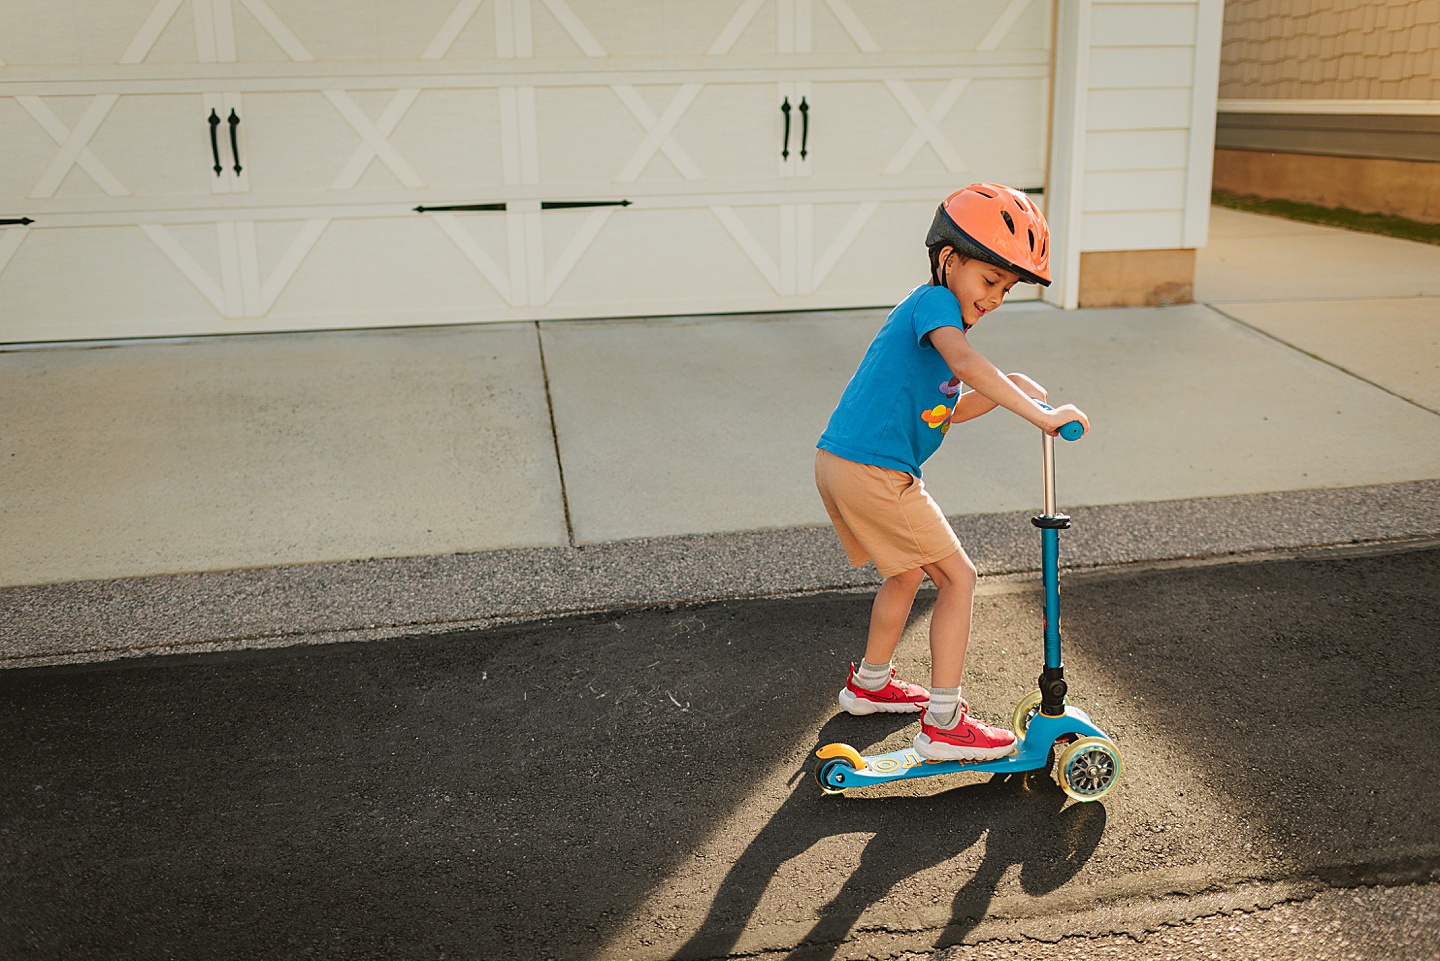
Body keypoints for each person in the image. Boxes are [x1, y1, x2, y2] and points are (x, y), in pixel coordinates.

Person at [814, 183, 1088, 761]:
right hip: (874, 470)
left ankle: (869, 685)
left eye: (1007, 290)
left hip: (846, 462)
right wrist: (1039, 414)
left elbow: (949, 408)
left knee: (908, 575)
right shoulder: (934, 305)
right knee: (960, 578)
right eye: (989, 281)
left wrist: (1008, 389)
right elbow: (965, 363)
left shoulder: (939, 333)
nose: (995, 298)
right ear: (948, 259)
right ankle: (944, 722)